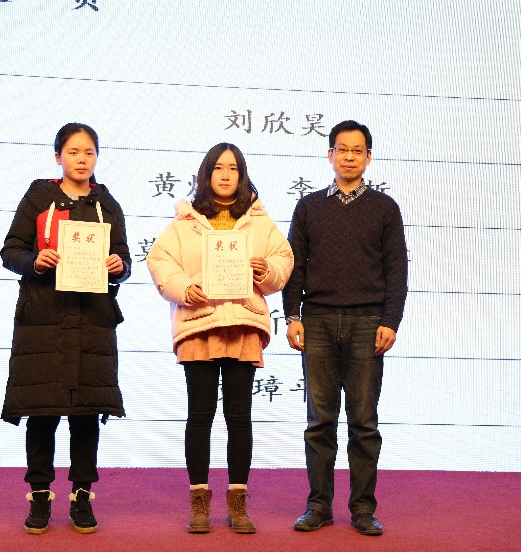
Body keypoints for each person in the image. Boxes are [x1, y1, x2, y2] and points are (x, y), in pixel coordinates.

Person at [146, 143, 293, 534]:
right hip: (200, 325)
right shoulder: (185, 222)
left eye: (233, 168)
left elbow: (284, 259)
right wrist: (184, 288)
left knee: (239, 418)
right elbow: (160, 261)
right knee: (200, 416)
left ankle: (238, 503)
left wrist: (266, 269)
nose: (226, 175)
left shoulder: (259, 221)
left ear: (241, 175)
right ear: (206, 173)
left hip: (243, 325)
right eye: (218, 168)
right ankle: (199, 502)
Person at [0, 122, 131, 535]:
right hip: (44, 320)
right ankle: (40, 496)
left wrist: (119, 266)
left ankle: (82, 496)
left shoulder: (107, 203)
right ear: (58, 156)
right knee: (42, 413)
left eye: (89, 152)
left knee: (86, 414)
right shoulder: (39, 197)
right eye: (73, 152)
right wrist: (34, 261)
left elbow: (124, 259)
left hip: (92, 322)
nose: (82, 159)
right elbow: (10, 251)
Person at [283, 120, 408, 536]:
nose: (349, 157)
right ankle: (318, 506)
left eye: (357, 150)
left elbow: (397, 270)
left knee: (364, 423)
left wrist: (390, 321)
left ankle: (363, 510)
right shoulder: (309, 207)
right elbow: (295, 265)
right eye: (342, 149)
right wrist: (293, 316)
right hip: (317, 321)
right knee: (319, 422)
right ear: (330, 155)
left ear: (368, 157)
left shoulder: (385, 208)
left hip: (367, 323)